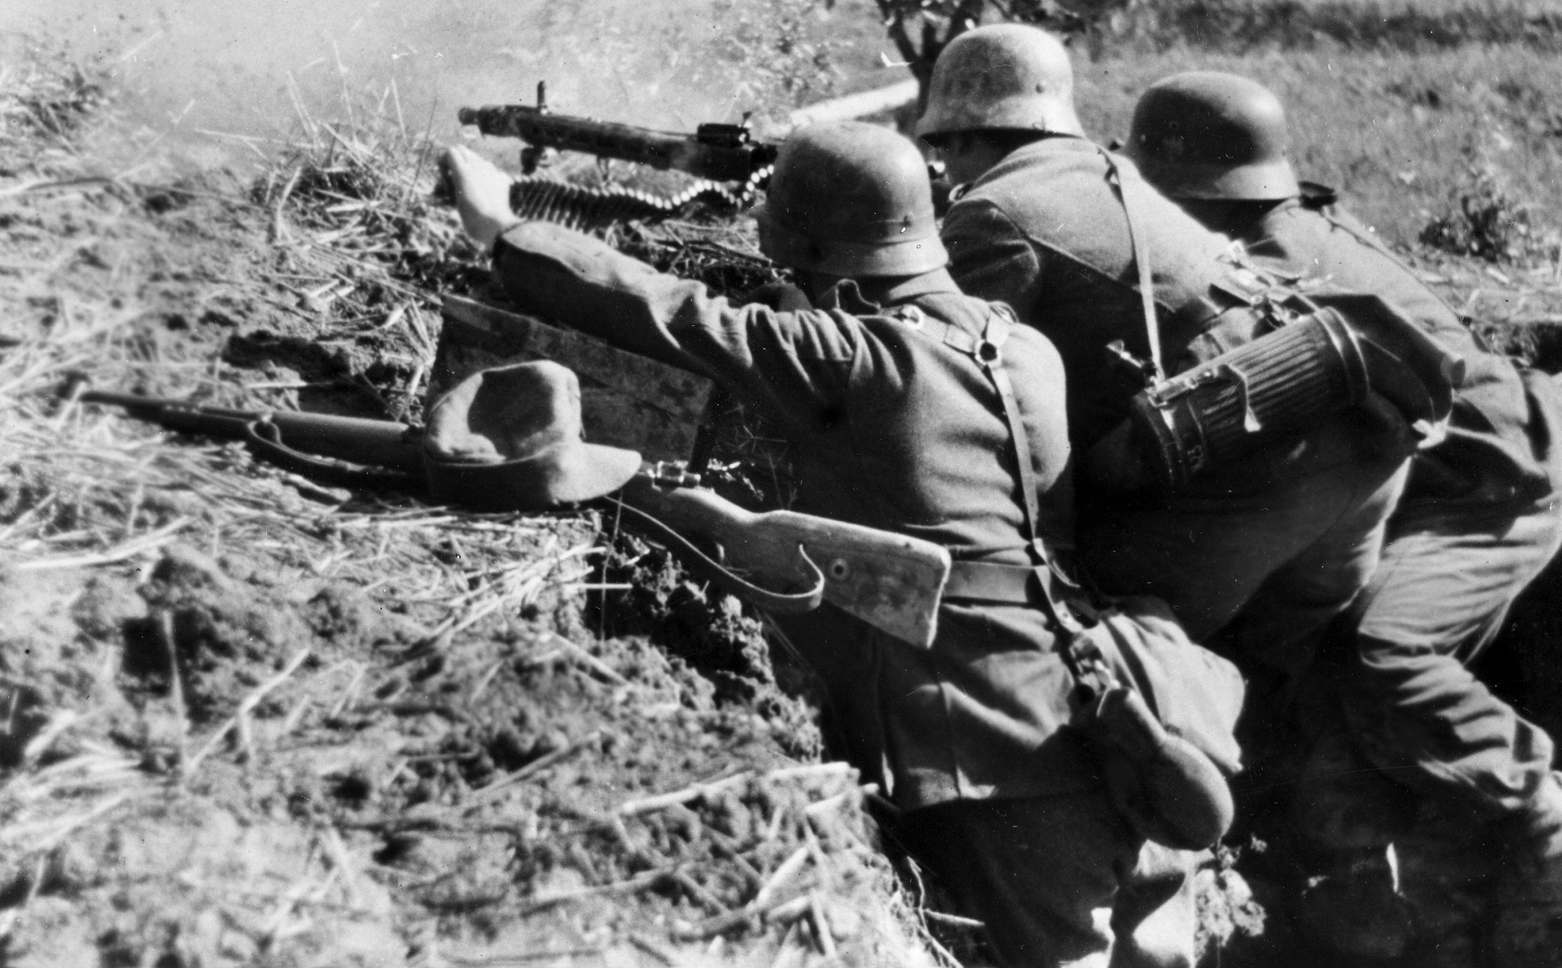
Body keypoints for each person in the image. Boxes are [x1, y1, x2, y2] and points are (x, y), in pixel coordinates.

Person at [442, 122, 1228, 968]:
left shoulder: (856, 357)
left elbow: (671, 314)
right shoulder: (1027, 350)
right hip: (1115, 714)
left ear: (815, 260)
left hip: (998, 754)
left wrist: (503, 229)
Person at [1126, 70, 1562, 968]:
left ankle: (1544, 800)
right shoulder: (1289, 228)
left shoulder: (1268, 267)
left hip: (1493, 488)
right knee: (1334, 722)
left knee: (1383, 653)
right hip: (1441, 479)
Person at [919, 22, 1415, 677]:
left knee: (1081, 649)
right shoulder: (1114, 172)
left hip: (1253, 462)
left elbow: (943, 379)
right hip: (1347, 432)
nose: (943, 169)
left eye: (945, 149)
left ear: (966, 132)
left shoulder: (991, 212)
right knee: (1268, 684)